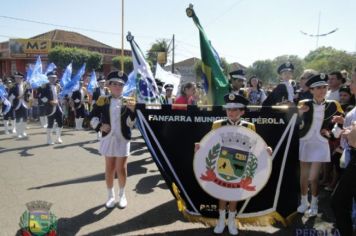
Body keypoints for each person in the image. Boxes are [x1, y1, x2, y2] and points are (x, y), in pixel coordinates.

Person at [195, 93, 272, 235]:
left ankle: (231, 221)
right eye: (229, 110)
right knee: (222, 193)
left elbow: (255, 146)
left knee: (235, 194)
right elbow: (210, 143)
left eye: (235, 110)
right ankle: (221, 220)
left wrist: (266, 149)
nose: (231, 113)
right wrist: (200, 147)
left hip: (241, 168)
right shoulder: (218, 125)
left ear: (242, 111)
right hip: (221, 166)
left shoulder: (250, 126)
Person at [297, 73, 344, 217]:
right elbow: (294, 122)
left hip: (320, 143)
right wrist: (298, 112)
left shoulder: (333, 105)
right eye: (318, 88)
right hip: (305, 141)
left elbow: (341, 123)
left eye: (324, 87)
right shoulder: (303, 103)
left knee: (314, 177)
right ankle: (304, 202)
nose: (322, 90)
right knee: (304, 175)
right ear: (311, 90)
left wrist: (332, 133)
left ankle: (315, 205)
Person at [89, 71, 136, 209]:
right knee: (109, 168)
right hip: (108, 139)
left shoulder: (129, 101)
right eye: (114, 84)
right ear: (109, 85)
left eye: (120, 84)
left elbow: (131, 124)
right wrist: (99, 126)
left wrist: (132, 112)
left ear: (123, 86)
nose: (117, 87)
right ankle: (110, 195)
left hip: (123, 139)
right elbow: (91, 116)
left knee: (121, 168)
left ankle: (122, 194)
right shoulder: (103, 100)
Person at [41, 71, 64, 145]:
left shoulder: (58, 86)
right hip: (50, 107)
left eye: (54, 78)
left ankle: (58, 138)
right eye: (51, 78)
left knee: (60, 122)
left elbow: (60, 95)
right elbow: (42, 98)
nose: (53, 79)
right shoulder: (44, 86)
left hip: (58, 107)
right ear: (48, 78)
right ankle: (49, 139)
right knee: (50, 123)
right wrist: (50, 102)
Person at [8, 72, 30, 138]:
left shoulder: (26, 85)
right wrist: (16, 97)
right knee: (18, 119)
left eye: (18, 78)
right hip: (17, 104)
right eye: (16, 78)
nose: (16, 79)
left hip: (24, 104)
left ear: (21, 78)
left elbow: (28, 93)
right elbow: (9, 96)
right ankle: (18, 133)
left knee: (25, 118)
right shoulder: (12, 86)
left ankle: (23, 131)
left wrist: (26, 97)